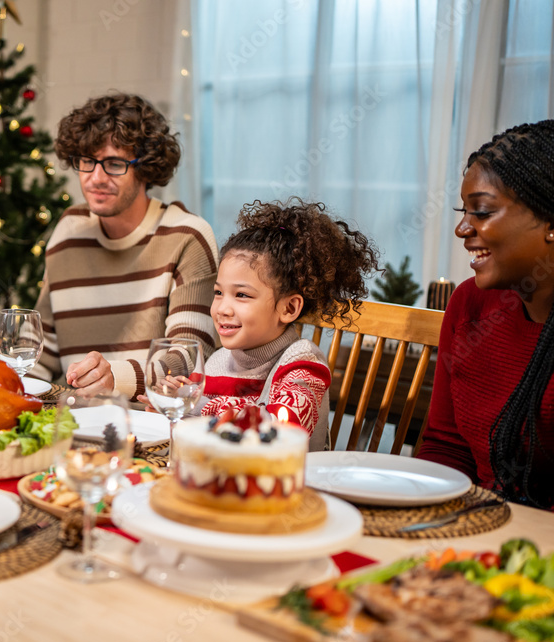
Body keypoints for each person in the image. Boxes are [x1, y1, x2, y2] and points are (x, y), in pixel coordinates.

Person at [33, 93, 218, 401]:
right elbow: (43, 347)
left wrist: (116, 378)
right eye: (87, 162)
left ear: (145, 168)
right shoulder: (68, 232)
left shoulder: (187, 236)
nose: (96, 178)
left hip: (150, 425)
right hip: (74, 421)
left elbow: (192, 356)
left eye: (114, 164)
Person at [162, 199, 379, 451]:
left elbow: (279, 429)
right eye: (218, 292)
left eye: (241, 295)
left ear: (288, 308)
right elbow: (202, 432)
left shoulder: (304, 363)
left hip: (291, 485)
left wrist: (198, 407)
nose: (222, 308)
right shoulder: (217, 361)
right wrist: (175, 407)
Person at [418, 120, 554, 510]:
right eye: (464, 212)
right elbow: (447, 446)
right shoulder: (468, 305)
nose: (462, 229)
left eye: (482, 211)